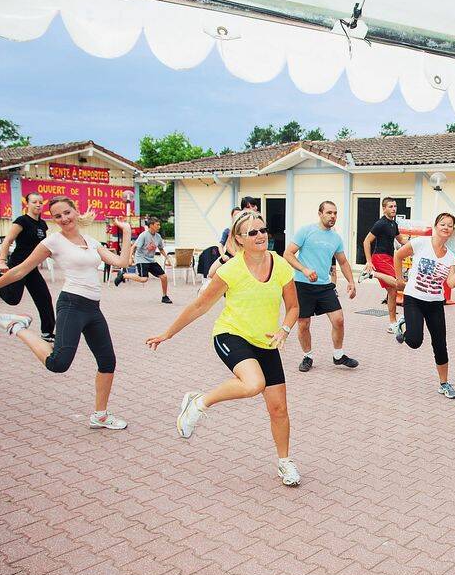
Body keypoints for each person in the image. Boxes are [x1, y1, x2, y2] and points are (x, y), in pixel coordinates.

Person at [146, 212, 302, 486]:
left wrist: (285, 329)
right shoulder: (229, 270)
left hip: (266, 341)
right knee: (254, 383)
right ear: (239, 239)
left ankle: (284, 462)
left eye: (263, 230)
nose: (260, 235)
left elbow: (293, 307)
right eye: (252, 232)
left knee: (279, 409)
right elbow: (199, 306)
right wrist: (167, 333)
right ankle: (199, 403)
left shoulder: (279, 265)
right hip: (230, 335)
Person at [0, 197, 134, 430]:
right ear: (53, 220)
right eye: (58, 216)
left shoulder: (92, 241)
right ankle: (17, 327)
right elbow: (21, 270)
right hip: (71, 305)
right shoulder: (53, 242)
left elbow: (122, 261)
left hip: (93, 309)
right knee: (58, 363)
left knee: (108, 362)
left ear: (75, 212)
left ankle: (101, 416)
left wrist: (126, 232)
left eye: (67, 212)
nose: (64, 218)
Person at [393, 213, 455, 399]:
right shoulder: (421, 243)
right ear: (436, 226)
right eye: (443, 224)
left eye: (450, 226)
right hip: (414, 299)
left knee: (440, 344)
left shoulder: (450, 256)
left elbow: (450, 283)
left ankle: (444, 384)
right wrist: (399, 279)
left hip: (435, 303)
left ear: (452, 231)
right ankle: (405, 324)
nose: (446, 227)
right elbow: (398, 255)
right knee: (415, 341)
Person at [284, 201, 359, 372]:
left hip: (325, 286)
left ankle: (338, 356)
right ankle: (308, 356)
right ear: (320, 213)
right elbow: (287, 254)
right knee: (303, 324)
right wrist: (304, 269)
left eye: (335, 213)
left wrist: (351, 282)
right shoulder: (306, 231)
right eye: (329, 213)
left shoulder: (336, 238)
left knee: (338, 320)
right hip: (303, 284)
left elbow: (343, 261)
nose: (333, 216)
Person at [0, 191, 56, 342]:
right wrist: (2, 261)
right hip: (18, 265)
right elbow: (7, 240)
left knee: (44, 298)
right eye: (34, 202)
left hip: (32, 267)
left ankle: (47, 333)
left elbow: (44, 246)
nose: (38, 205)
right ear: (27, 204)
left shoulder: (42, 224)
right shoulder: (22, 221)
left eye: (40, 202)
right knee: (13, 299)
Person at [361, 197, 403, 334]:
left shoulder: (393, 224)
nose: (394, 209)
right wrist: (369, 262)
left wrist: (416, 243)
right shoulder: (380, 223)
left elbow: (401, 240)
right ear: (384, 208)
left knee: (392, 291)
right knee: (397, 284)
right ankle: (372, 273)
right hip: (379, 257)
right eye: (390, 206)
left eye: (395, 206)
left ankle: (392, 323)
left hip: (390, 258)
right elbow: (366, 241)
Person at [118, 216, 172, 303]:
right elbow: (133, 247)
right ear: (151, 225)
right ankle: (123, 275)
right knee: (144, 279)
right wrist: (130, 258)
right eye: (157, 225)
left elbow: (161, 249)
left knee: (164, 277)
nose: (159, 226)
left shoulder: (158, 236)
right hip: (141, 259)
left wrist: (167, 258)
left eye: (159, 225)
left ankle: (164, 296)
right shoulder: (143, 235)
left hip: (151, 260)